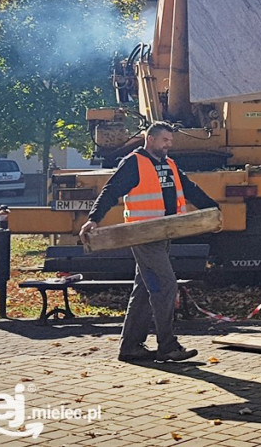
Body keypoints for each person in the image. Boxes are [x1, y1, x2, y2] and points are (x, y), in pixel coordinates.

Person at [79, 121, 219, 363]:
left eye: (170, 141)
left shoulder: (169, 164)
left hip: (163, 235)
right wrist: (94, 219)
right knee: (166, 285)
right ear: (150, 139)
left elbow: (190, 189)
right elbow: (111, 190)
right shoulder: (134, 162)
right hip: (144, 237)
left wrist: (214, 209)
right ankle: (167, 346)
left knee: (144, 289)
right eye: (165, 140)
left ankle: (131, 347)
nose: (169, 145)